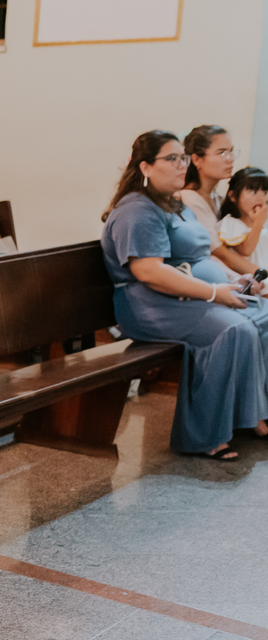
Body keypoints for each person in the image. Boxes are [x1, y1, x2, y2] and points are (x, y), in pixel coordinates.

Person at [101, 130, 268, 461]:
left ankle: (251, 416)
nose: (181, 165)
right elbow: (148, 271)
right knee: (233, 330)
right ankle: (203, 436)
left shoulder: (174, 203)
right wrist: (213, 293)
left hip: (187, 297)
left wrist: (240, 279)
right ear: (146, 167)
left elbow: (201, 258)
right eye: (171, 159)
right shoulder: (137, 210)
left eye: (182, 157)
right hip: (149, 305)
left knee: (263, 316)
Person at [181, 125, 257, 277]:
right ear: (196, 159)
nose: (230, 159)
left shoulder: (219, 199)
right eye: (222, 153)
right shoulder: (188, 199)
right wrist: (261, 273)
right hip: (209, 278)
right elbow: (221, 254)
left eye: (231, 151)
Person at [218, 167, 268, 277]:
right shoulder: (231, 223)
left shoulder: (262, 229)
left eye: (264, 192)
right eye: (253, 191)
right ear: (232, 196)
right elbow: (246, 250)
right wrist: (259, 222)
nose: (260, 197)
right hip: (250, 283)